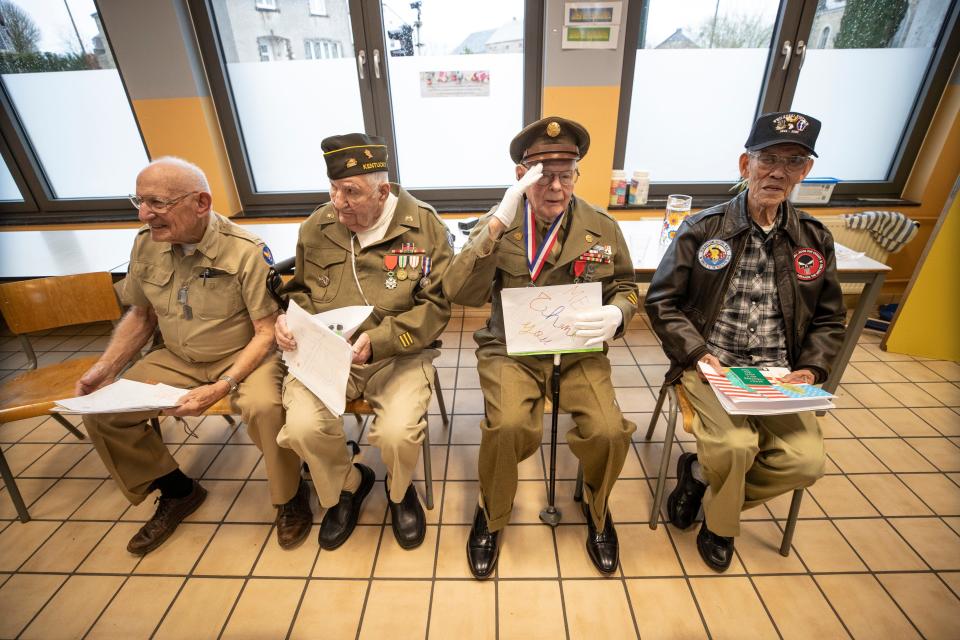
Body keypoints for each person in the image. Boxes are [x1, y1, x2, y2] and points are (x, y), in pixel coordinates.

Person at [645, 111, 846, 572]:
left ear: (805, 172)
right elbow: (662, 303)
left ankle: (697, 478)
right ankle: (721, 527)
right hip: (713, 366)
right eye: (768, 159)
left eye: (793, 162)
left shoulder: (813, 238)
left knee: (805, 461)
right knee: (736, 447)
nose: (778, 172)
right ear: (745, 165)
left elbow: (830, 318)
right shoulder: (702, 229)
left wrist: (812, 369)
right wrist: (699, 355)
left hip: (780, 373)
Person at [77, 157, 308, 555]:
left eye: (157, 203)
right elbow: (141, 314)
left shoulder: (245, 251)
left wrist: (223, 386)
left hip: (242, 356)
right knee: (102, 409)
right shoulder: (146, 243)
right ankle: (177, 489)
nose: (145, 213)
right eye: (140, 201)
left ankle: (290, 497)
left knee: (265, 406)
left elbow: (267, 331)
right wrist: (107, 366)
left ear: (201, 202)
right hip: (178, 357)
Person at [443, 117, 640, 577]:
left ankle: (597, 509)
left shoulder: (600, 227)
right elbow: (458, 289)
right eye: (541, 174)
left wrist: (619, 314)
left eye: (565, 174)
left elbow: (627, 286)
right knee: (509, 425)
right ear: (520, 176)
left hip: (578, 352)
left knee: (610, 430)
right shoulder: (500, 226)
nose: (554, 187)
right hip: (511, 349)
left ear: (576, 175)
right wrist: (495, 223)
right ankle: (491, 515)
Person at [275, 133, 452, 551]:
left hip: (398, 354)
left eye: (351, 192)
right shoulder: (316, 226)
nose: (339, 203)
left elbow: (438, 306)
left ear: (383, 191)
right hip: (325, 354)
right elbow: (299, 289)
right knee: (301, 427)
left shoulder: (424, 226)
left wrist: (381, 339)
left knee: (396, 434)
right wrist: (290, 319)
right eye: (333, 189)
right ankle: (349, 484)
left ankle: (399, 490)